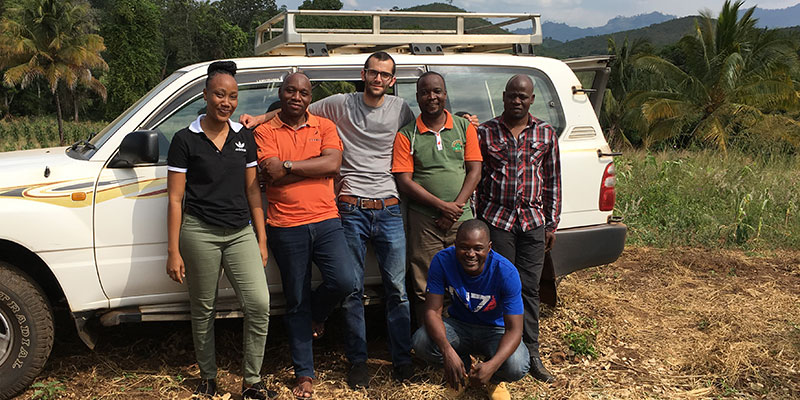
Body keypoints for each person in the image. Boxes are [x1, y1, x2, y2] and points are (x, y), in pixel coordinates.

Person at [241, 52, 417, 389]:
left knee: (382, 287)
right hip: (335, 210)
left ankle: (402, 360)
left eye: (384, 75)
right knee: (326, 294)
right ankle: (337, 367)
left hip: (371, 209)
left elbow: (332, 164)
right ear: (363, 75)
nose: (377, 79)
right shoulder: (337, 105)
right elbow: (293, 118)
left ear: (392, 80)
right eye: (372, 73)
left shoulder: (399, 109)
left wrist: (467, 121)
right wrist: (263, 119)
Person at [165, 61, 278, 400]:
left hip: (240, 231)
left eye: (232, 96)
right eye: (219, 94)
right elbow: (174, 198)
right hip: (199, 231)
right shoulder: (184, 140)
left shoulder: (244, 137)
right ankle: (208, 376)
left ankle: (252, 381)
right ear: (205, 95)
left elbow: (253, 191)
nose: (225, 102)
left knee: (259, 303)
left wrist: (261, 237)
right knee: (204, 307)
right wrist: (173, 251)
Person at [253, 72, 357, 400]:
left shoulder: (324, 126)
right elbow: (270, 173)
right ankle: (305, 374)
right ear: (281, 94)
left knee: (345, 280)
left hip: (326, 219)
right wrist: (308, 164)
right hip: (285, 225)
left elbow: (333, 165)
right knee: (295, 298)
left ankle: (318, 313)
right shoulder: (265, 130)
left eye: (304, 92)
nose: (297, 97)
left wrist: (288, 166)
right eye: (290, 90)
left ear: (310, 97)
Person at [475, 74, 561, 383]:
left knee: (530, 288)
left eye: (523, 96)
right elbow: (477, 179)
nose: (517, 100)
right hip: (497, 221)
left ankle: (532, 351)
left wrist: (551, 223)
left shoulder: (545, 133)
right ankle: (501, 350)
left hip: (533, 223)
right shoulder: (485, 132)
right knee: (500, 287)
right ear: (503, 96)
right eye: (512, 95)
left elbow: (552, 180)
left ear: (532, 99)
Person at [392, 71, 482, 325]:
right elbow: (405, 181)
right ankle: (431, 343)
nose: (432, 97)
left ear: (445, 94)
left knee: (466, 278)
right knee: (426, 283)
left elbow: (474, 170)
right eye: (425, 92)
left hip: (462, 220)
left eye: (437, 91)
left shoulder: (464, 128)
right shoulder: (406, 134)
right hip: (424, 221)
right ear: (417, 97)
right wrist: (443, 207)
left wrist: (455, 209)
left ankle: (464, 338)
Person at [412, 219, 529, 400]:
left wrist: (493, 365)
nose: (470, 254)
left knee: (517, 365)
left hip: (494, 330)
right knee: (421, 341)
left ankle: (493, 380)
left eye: (478, 248)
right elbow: (432, 312)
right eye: (464, 247)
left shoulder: (506, 272)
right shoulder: (442, 261)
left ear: (489, 247)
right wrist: (447, 351)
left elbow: (514, 330)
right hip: (459, 326)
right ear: (455, 244)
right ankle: (463, 372)